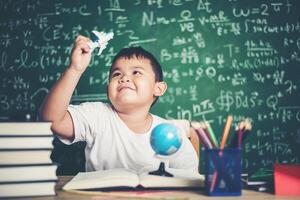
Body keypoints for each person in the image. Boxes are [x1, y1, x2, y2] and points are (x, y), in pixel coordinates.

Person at [40, 35, 198, 172]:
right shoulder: (97, 115)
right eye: (116, 74)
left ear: (158, 88)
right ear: (108, 89)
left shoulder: (172, 134)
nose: (124, 78)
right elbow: (52, 121)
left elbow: (188, 177)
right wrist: (75, 69)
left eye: (136, 72)